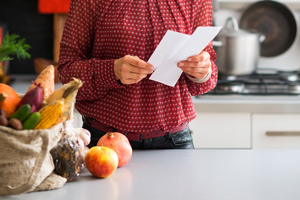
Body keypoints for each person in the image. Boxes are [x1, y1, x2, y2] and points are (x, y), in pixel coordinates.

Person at [58, 0, 218, 150]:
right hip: (105, 141)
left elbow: (206, 79)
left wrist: (203, 71)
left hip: (175, 141)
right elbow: (67, 72)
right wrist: (111, 71)